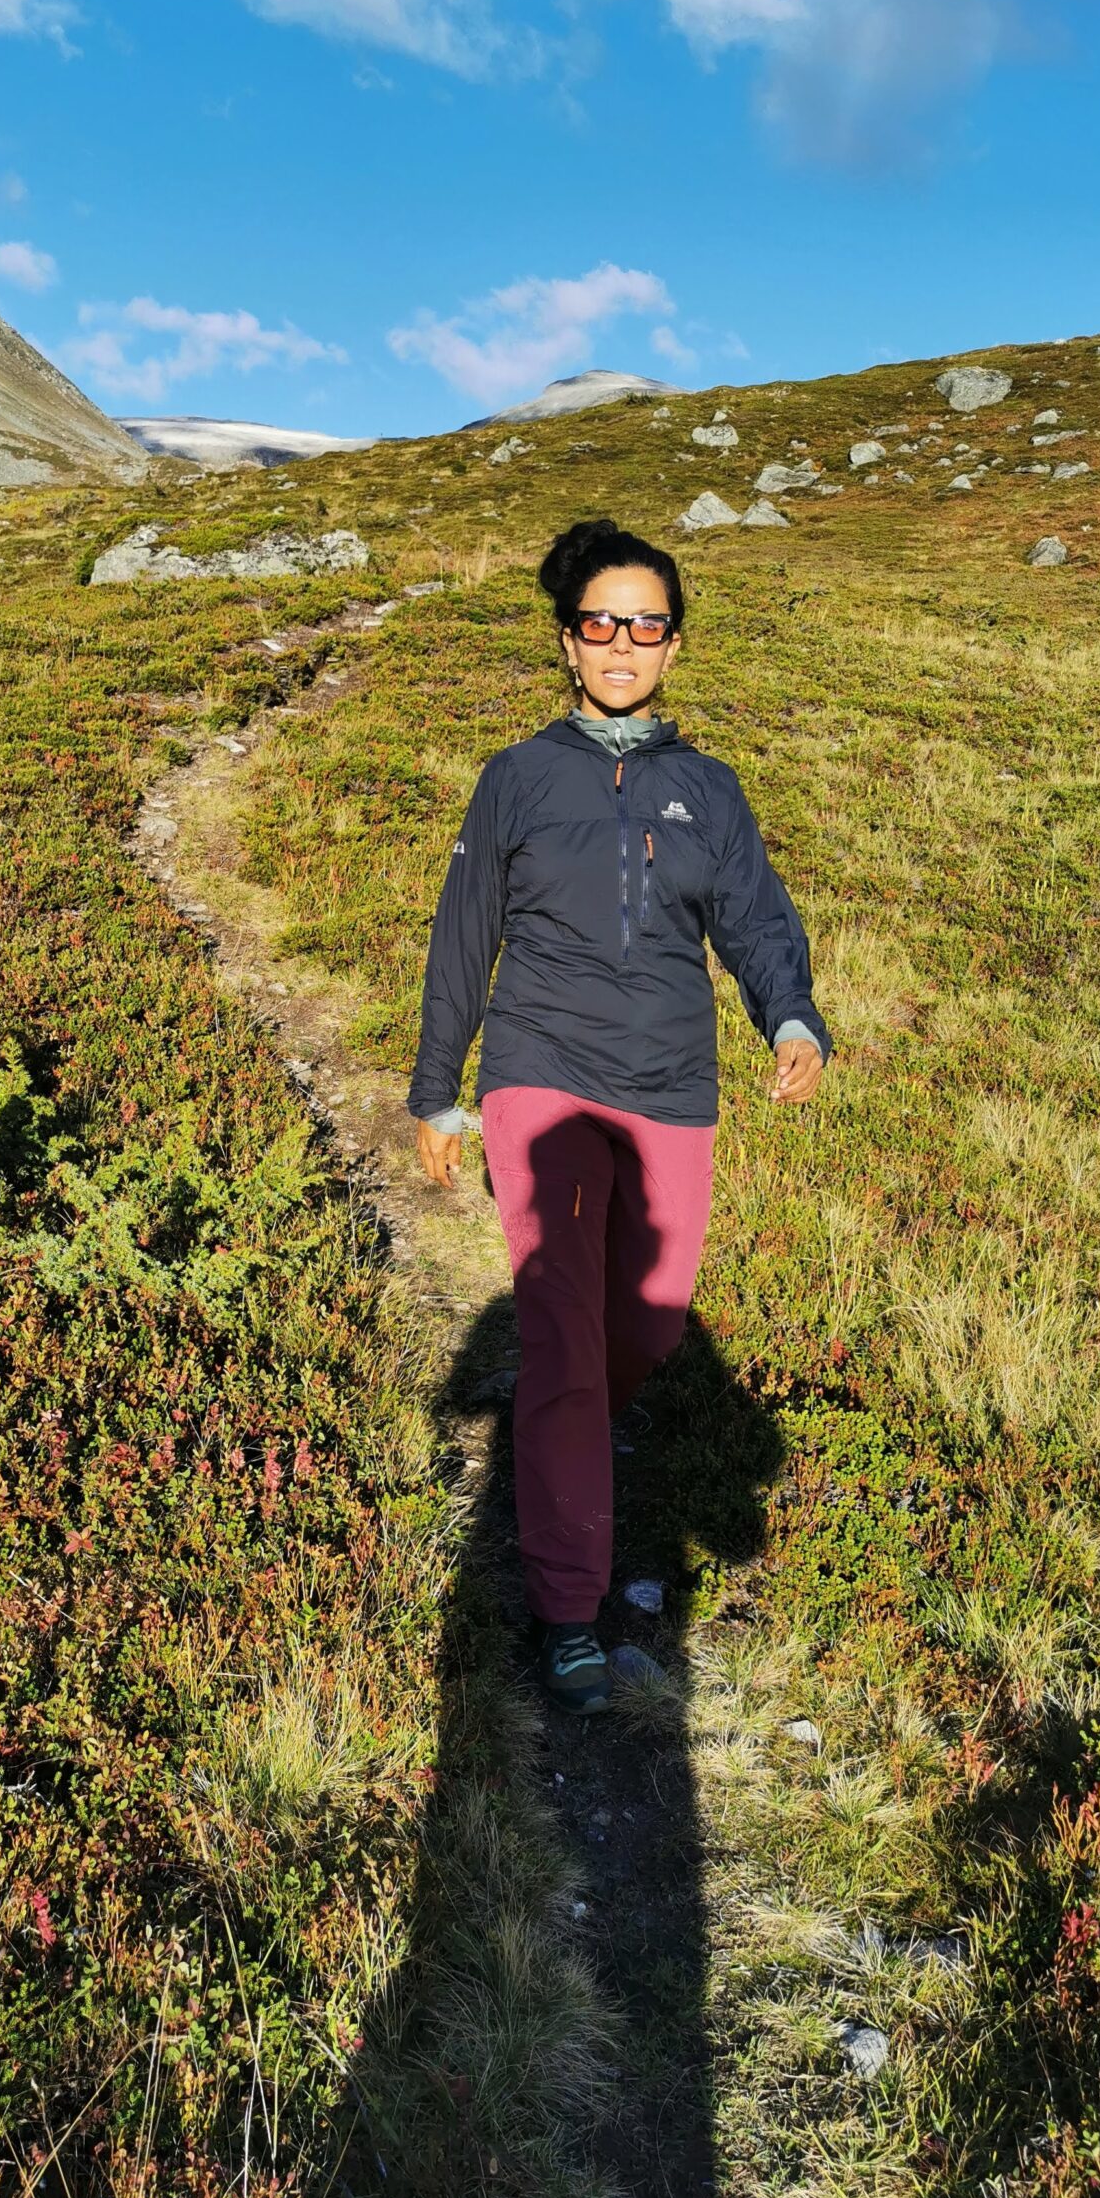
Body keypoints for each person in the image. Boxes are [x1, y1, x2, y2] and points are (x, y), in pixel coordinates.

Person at [409, 517, 830, 1716]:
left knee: (643, 1328)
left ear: (674, 647)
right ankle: (566, 1603)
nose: (623, 642)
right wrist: (440, 1085)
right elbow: (464, 935)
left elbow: (753, 918)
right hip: (540, 1070)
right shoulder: (518, 777)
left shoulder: (710, 788)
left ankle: (567, 1431)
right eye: (602, 623)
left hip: (673, 1086)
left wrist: (789, 1019)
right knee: (563, 1333)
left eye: (646, 624)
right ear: (569, 641)